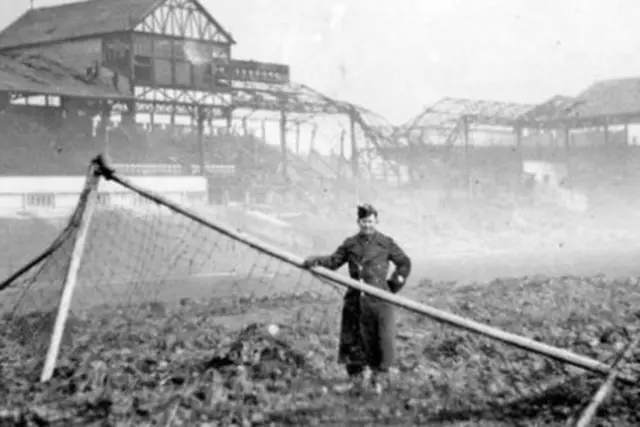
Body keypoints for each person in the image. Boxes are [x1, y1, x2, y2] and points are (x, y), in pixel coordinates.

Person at [302, 203, 412, 394]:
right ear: (358, 222)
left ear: (376, 221)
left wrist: (392, 287)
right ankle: (356, 380)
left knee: (380, 340)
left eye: (370, 221)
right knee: (353, 340)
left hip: (379, 300)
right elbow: (333, 261)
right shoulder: (350, 244)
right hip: (356, 300)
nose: (367, 225)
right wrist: (316, 260)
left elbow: (404, 263)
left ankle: (378, 381)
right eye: (363, 221)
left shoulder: (385, 243)